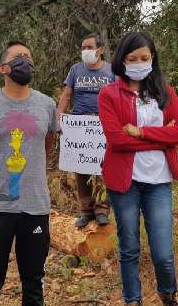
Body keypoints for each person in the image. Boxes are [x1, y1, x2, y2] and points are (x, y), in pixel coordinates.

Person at [98, 32, 178, 306]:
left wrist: (140, 132)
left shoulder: (165, 91)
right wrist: (161, 136)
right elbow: (116, 140)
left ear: (153, 59)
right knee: (129, 248)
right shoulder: (109, 94)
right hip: (124, 182)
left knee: (163, 251)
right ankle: (132, 300)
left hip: (159, 181)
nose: (139, 62)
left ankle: (169, 295)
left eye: (145, 58)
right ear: (122, 60)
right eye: (132, 58)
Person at [0, 41, 58, 306]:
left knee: (33, 282)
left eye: (28, 57)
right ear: (2, 67)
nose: (25, 61)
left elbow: (47, 144)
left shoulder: (47, 105)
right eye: (18, 57)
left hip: (35, 205)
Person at [57, 33, 115, 228]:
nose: (85, 51)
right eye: (83, 48)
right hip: (78, 125)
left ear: (100, 50)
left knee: (102, 167)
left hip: (102, 125)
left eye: (89, 47)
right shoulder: (75, 70)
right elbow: (66, 94)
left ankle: (102, 209)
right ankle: (85, 211)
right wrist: (59, 117)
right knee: (81, 168)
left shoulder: (111, 71)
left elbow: (118, 97)